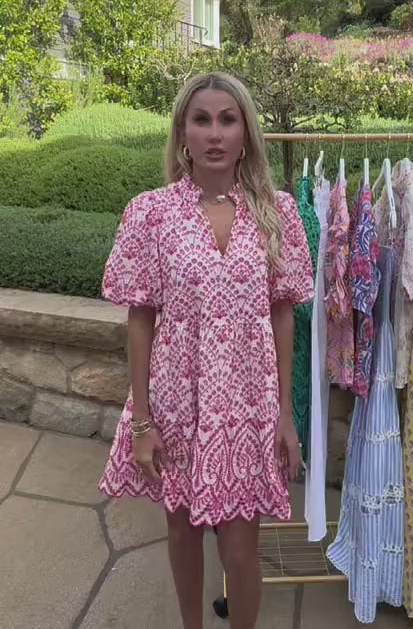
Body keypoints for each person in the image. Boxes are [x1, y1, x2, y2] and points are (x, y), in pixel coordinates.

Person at [99, 71, 314, 629]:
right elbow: (140, 320)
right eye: (201, 120)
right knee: (182, 533)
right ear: (182, 133)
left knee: (241, 550)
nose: (214, 133)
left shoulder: (277, 213)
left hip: (247, 405)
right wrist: (142, 422)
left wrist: (285, 415)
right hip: (176, 401)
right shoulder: (151, 213)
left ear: (246, 133)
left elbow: (283, 313)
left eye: (227, 119)